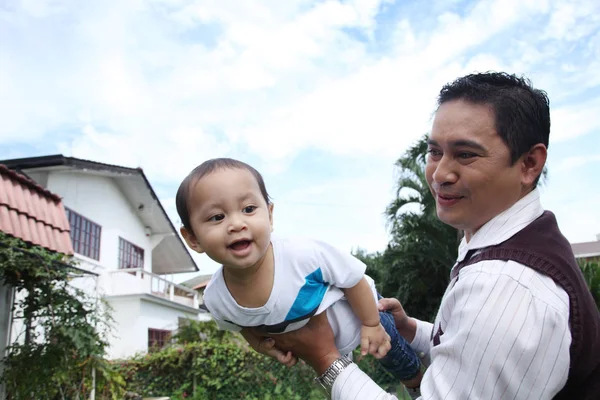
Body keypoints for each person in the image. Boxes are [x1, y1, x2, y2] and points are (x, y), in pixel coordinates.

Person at [262, 72, 600, 399]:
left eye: (465, 154)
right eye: (435, 151)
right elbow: (473, 351)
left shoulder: (506, 285)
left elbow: (493, 320)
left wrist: (325, 358)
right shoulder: (517, 240)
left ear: (529, 163)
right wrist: (412, 330)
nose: (439, 174)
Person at [175, 158, 424, 392]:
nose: (237, 224)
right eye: (217, 217)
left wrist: (372, 324)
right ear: (193, 238)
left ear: (270, 215)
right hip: (327, 341)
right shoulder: (217, 299)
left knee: (395, 355)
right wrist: (262, 346)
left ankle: (418, 385)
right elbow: (242, 325)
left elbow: (353, 279)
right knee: (341, 384)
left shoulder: (302, 256)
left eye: (249, 209)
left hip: (362, 310)